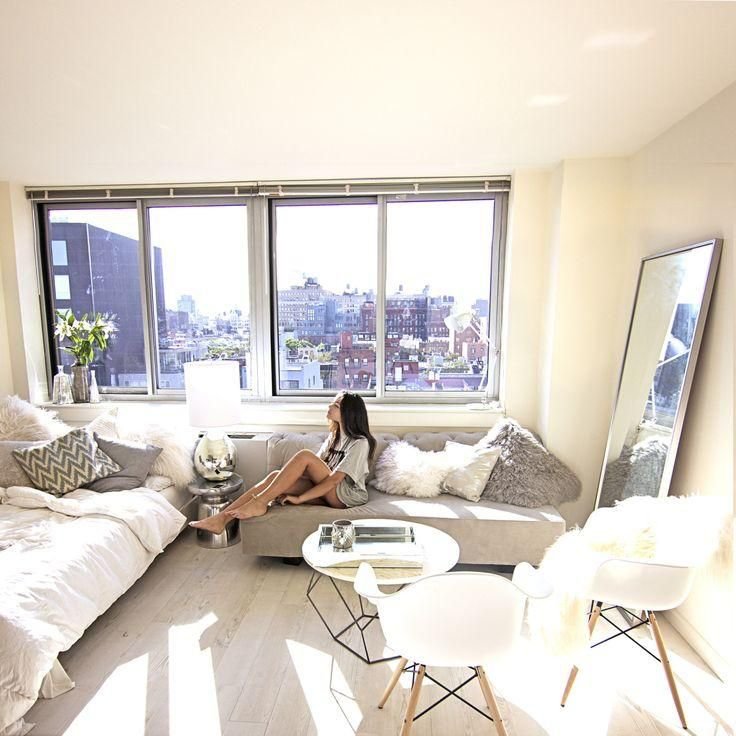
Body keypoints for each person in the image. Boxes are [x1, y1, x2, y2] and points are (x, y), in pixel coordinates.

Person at [189, 391, 376, 533]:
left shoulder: (360, 443)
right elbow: (316, 471)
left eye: (336, 404)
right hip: (328, 491)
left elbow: (334, 479)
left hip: (345, 497)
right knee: (275, 476)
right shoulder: (333, 437)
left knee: (304, 456)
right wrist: (286, 482)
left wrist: (300, 498)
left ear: (348, 413)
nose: (330, 406)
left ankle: (259, 503)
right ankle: (220, 519)